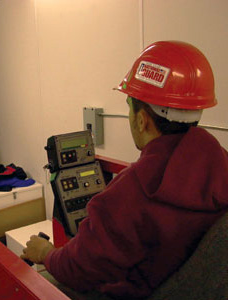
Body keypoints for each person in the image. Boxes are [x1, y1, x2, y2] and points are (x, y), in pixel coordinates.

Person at [21, 41, 228, 299]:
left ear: (142, 120)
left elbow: (78, 269)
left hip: (131, 291)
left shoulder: (128, 194)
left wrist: (46, 253)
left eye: (130, 105)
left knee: (42, 281)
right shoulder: (220, 162)